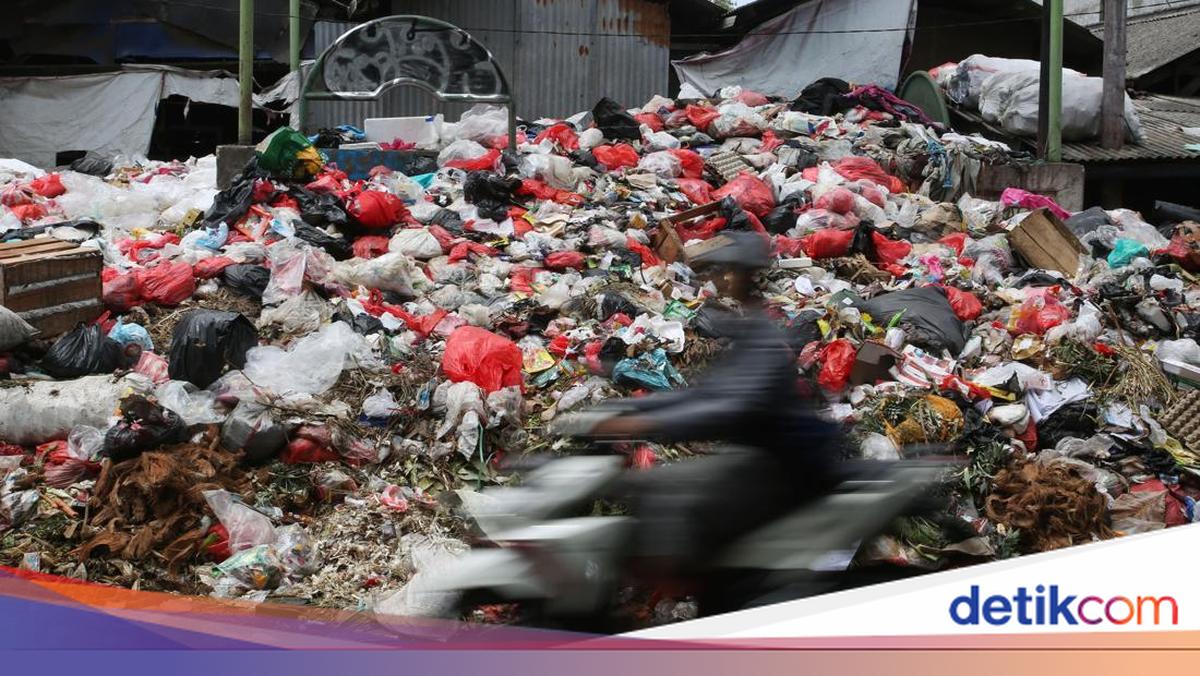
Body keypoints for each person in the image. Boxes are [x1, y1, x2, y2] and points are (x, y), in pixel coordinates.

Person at [588, 231, 840, 572]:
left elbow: (731, 407)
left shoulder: (761, 339)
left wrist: (650, 423)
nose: (721, 277)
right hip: (757, 456)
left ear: (747, 276)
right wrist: (627, 410)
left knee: (670, 501)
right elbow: (704, 395)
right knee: (654, 488)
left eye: (729, 270)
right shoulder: (746, 326)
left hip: (782, 467)